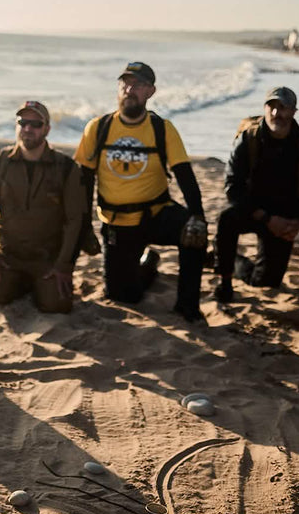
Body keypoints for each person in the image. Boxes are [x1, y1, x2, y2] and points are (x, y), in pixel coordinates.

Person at [74, 62, 208, 322]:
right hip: (116, 223)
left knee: (195, 236)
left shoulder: (162, 129)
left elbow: (185, 177)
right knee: (122, 296)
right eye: (125, 83)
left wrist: (198, 216)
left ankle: (187, 305)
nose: (129, 89)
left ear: (151, 91)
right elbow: (84, 181)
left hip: (156, 215)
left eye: (138, 85)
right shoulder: (98, 128)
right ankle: (149, 264)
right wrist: (84, 226)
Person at [0, 101, 84, 313]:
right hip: (8, 256)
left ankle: (36, 285)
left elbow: (75, 220)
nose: (28, 129)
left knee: (57, 305)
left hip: (47, 259)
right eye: (22, 122)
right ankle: (21, 284)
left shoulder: (66, 168)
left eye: (35, 124)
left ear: (47, 129)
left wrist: (63, 266)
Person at [214, 87, 299, 302]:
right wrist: (264, 217)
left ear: (293, 111)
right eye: (271, 107)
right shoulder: (248, 138)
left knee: (266, 282)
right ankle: (224, 280)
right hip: (252, 209)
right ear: (264, 109)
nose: (276, 113)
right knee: (226, 219)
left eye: (283, 108)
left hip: (284, 216)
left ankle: (234, 262)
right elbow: (232, 186)